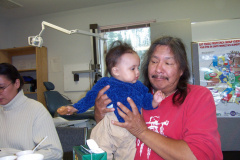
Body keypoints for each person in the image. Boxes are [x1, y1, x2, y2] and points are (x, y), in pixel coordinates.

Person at [94, 36, 223, 160]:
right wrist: (101, 117)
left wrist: (142, 132)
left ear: (181, 70)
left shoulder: (198, 97)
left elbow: (198, 156)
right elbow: (113, 138)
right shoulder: (134, 94)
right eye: (154, 61)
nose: (158, 69)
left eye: (168, 63)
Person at [57, 41, 165, 160]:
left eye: (137, 67)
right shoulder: (106, 83)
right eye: (132, 68)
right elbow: (90, 97)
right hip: (109, 124)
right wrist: (74, 108)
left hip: (131, 130)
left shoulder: (139, 86)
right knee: (99, 151)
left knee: (129, 154)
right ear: (116, 71)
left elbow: (146, 101)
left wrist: (155, 100)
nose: (138, 72)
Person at [0, 63, 63, 160]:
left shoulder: (36, 109)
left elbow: (54, 152)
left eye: (2, 87)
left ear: (16, 83)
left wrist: (17, 156)